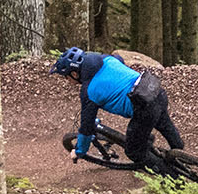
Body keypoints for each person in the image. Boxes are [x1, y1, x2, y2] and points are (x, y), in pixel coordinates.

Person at [50, 46, 185, 165]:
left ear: (74, 73)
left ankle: (169, 174)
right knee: (165, 125)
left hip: (144, 109)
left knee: (133, 152)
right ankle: (184, 159)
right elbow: (119, 58)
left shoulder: (89, 91)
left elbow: (86, 128)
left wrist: (79, 152)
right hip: (155, 91)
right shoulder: (107, 59)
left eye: (66, 77)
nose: (67, 80)